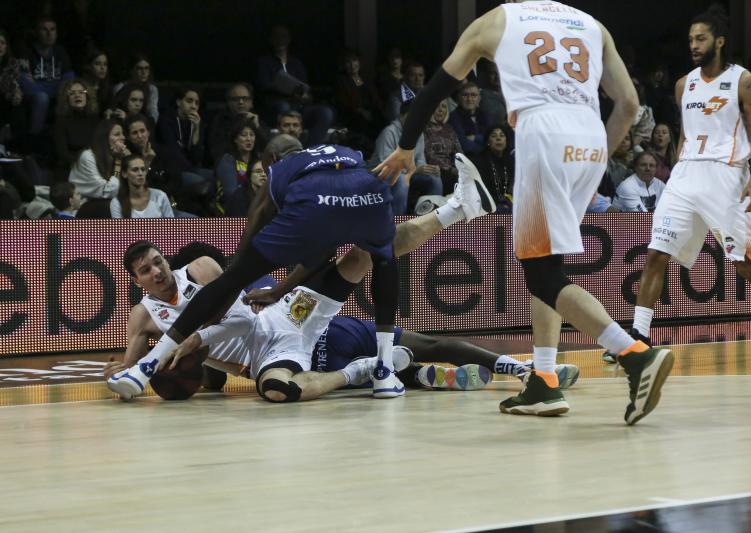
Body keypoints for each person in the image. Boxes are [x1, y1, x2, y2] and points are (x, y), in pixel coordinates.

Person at [374, 0, 674, 425]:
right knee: (547, 266)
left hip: (543, 133)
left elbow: (433, 92)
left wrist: (405, 147)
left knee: (541, 272)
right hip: (590, 138)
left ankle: (634, 354)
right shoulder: (592, 24)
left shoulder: (496, 20)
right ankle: (544, 381)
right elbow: (628, 104)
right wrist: (592, 161)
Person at [106, 134, 492, 401]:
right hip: (271, 356)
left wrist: (198, 338)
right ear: (135, 280)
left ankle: (386, 367)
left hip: (285, 317)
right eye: (146, 270)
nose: (156, 271)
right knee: (381, 249)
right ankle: (384, 369)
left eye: (158, 261)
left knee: (371, 255)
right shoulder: (143, 315)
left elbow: (236, 306)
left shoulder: (200, 269)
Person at [602, 6, 751, 364]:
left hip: (726, 176)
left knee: (745, 262)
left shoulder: (745, 81)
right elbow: (683, 135)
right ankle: (639, 335)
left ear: (719, 41)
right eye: (691, 39)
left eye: (701, 38)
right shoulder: (683, 84)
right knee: (656, 253)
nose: (693, 44)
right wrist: (675, 169)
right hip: (685, 175)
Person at [371, 101, 443, 214]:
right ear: (402, 116)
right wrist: (414, 170)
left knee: (434, 178)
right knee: (401, 180)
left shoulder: (418, 134)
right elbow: (385, 166)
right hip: (380, 177)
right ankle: (398, 223)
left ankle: (431, 217)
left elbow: (419, 159)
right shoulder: (389, 132)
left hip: (407, 173)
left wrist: (427, 168)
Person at [17, 17, 75, 135]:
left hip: (53, 89)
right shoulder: (27, 50)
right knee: (42, 97)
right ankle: (34, 139)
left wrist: (55, 87)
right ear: (37, 32)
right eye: (44, 30)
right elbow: (25, 81)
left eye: (52, 29)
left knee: (71, 90)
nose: (49, 34)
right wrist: (53, 87)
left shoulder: (60, 51)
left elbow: (69, 76)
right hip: (37, 93)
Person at [68, 119, 128, 206]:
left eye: (122, 134)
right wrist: (118, 162)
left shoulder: (114, 156)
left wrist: (129, 159)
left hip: (103, 204)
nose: (123, 137)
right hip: (82, 206)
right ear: (104, 138)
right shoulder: (88, 156)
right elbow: (107, 191)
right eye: (117, 134)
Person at [206, 83, 269, 164]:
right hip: (229, 165)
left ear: (251, 102)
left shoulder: (257, 121)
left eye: (245, 98)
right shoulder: (219, 122)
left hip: (254, 167)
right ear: (228, 103)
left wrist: (257, 127)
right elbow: (217, 153)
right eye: (235, 99)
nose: (241, 102)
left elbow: (269, 149)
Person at [53, 78, 99, 174]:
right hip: (73, 169)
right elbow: (62, 154)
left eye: (81, 92)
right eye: (72, 93)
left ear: (87, 96)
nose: (77, 95)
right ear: (66, 98)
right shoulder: (61, 122)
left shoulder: (95, 120)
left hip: (95, 167)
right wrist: (84, 164)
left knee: (114, 178)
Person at [469, 124, 514, 213]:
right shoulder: (480, 160)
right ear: (488, 141)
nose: (498, 138)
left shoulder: (511, 160)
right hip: (486, 205)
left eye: (502, 135)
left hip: (508, 203)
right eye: (494, 136)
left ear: (506, 141)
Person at [215, 116, 258, 206]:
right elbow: (231, 193)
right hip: (231, 208)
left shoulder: (257, 160)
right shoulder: (228, 160)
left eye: (252, 135)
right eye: (243, 135)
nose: (248, 139)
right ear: (235, 139)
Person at [424, 100, 463, 195]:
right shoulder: (424, 129)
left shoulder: (449, 129)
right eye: (436, 106)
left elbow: (459, 151)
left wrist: (462, 167)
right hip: (435, 169)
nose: (440, 110)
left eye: (444, 106)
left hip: (452, 169)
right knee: (451, 179)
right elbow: (430, 156)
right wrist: (451, 169)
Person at [113, 54, 159, 122]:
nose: (144, 72)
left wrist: (149, 123)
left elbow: (153, 111)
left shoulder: (152, 89)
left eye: (146, 68)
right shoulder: (120, 87)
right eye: (140, 68)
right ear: (131, 70)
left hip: (144, 123)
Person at [448, 82, 490, 155]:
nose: (469, 99)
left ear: (479, 98)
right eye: (465, 95)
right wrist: (487, 147)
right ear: (459, 98)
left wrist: (475, 138)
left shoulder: (485, 115)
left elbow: (492, 139)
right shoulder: (454, 116)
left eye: (473, 95)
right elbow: (465, 145)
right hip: (467, 159)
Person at [0, 29, 25, 142]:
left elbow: (11, 86)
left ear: (6, 46)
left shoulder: (12, 64)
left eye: (2, 43)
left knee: (17, 106)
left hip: (7, 100)